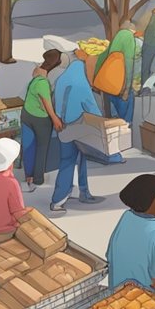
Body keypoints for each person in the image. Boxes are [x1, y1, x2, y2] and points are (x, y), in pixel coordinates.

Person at [51, 50, 106, 212]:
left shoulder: (62, 79)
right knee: (69, 161)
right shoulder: (80, 82)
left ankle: (84, 192)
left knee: (79, 159)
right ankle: (58, 200)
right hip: (77, 126)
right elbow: (90, 106)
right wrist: (102, 122)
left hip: (63, 126)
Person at [20, 50, 63, 193]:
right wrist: (55, 118)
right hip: (40, 119)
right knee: (41, 148)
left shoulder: (36, 76)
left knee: (28, 146)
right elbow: (47, 103)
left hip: (26, 114)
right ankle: (38, 179)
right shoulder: (44, 83)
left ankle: (28, 177)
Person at [98, 22, 138, 122]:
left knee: (113, 121)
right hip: (121, 86)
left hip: (109, 86)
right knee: (125, 123)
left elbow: (102, 59)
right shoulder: (128, 37)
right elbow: (129, 65)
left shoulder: (116, 37)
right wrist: (127, 90)